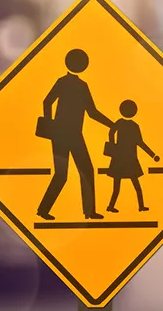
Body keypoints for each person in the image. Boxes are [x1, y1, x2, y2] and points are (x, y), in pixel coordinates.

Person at [37, 49, 113, 221]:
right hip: (64, 135)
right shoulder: (71, 84)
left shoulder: (75, 85)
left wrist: (111, 124)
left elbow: (91, 112)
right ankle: (45, 210)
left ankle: (88, 211)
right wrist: (51, 125)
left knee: (82, 171)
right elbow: (48, 101)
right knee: (66, 174)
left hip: (69, 135)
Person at [105, 99, 159, 213]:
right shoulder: (132, 125)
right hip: (127, 159)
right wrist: (152, 155)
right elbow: (140, 143)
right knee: (128, 185)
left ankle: (140, 206)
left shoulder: (122, 124)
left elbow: (139, 142)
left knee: (124, 185)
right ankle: (113, 206)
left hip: (124, 159)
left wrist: (152, 155)